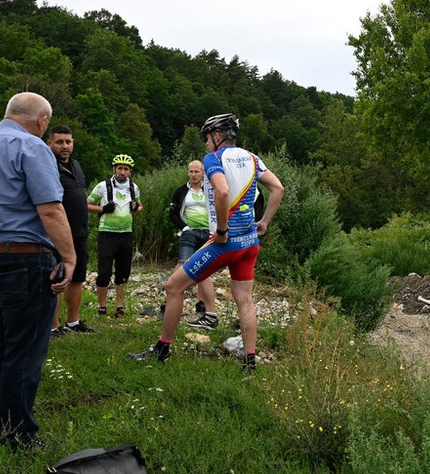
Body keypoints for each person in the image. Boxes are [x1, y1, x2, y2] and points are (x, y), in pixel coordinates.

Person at [0, 92, 75, 450]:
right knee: (25, 349)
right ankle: (17, 433)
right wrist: (69, 258)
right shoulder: (33, 147)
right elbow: (51, 210)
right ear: (42, 122)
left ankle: (0, 423)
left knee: (1, 343)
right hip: (23, 258)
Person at [130, 114, 284, 371]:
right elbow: (278, 188)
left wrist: (222, 230)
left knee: (173, 286)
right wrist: (264, 222)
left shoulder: (214, 158)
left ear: (217, 136)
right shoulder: (252, 158)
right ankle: (249, 362)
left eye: (206, 137)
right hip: (249, 242)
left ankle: (162, 350)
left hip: (227, 242)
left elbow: (222, 191)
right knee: (245, 300)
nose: (205, 143)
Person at [47, 125, 95, 336]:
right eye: (59, 142)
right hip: (57, 234)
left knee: (77, 277)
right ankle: (53, 325)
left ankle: (73, 322)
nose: (65, 146)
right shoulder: (47, 166)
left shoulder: (76, 165)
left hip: (79, 232)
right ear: (50, 144)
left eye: (68, 142)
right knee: (57, 279)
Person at [87, 154, 142, 318]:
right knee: (104, 273)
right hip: (107, 234)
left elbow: (140, 206)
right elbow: (87, 205)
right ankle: (102, 307)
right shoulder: (102, 186)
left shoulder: (134, 188)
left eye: (126, 169)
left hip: (126, 234)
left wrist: (135, 207)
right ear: (114, 169)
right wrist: (103, 209)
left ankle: (119, 307)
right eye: (120, 168)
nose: (122, 172)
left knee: (123, 273)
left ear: (130, 171)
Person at [166, 160, 214, 323]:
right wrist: (185, 228)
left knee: (204, 269)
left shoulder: (210, 190)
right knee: (182, 263)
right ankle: (169, 298)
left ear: (203, 174)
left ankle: (203, 305)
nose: (193, 175)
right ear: (188, 173)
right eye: (191, 172)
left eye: (196, 172)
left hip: (208, 233)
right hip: (190, 232)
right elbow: (172, 213)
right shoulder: (181, 191)